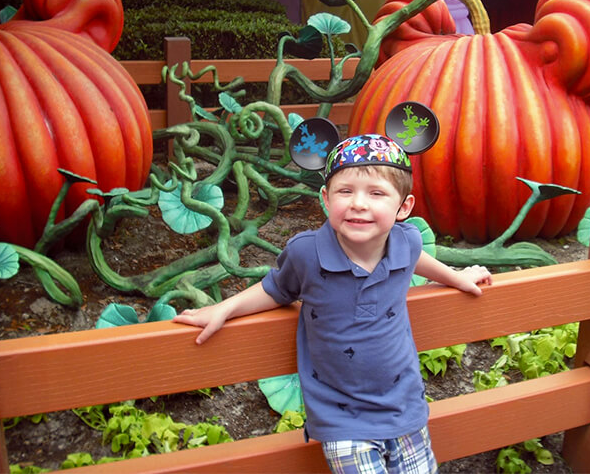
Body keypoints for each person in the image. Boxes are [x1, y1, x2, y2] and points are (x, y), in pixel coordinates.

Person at [174, 133, 492, 474]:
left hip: (405, 406)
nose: (358, 203)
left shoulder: (407, 240)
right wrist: (225, 308)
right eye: (345, 191)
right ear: (326, 198)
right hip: (342, 418)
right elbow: (275, 289)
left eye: (376, 194)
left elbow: (418, 258)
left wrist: (457, 277)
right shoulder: (307, 253)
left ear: (404, 207)